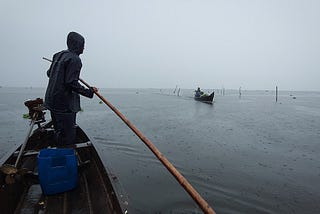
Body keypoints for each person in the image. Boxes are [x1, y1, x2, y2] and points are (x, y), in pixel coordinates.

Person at [44, 31, 98, 146]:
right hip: (64, 106)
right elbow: (71, 83)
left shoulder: (58, 55)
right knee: (67, 138)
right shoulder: (75, 60)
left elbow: (49, 73)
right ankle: (64, 157)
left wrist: (60, 70)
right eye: (82, 44)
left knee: (58, 131)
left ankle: (58, 149)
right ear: (76, 44)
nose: (84, 47)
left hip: (52, 102)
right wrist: (89, 92)